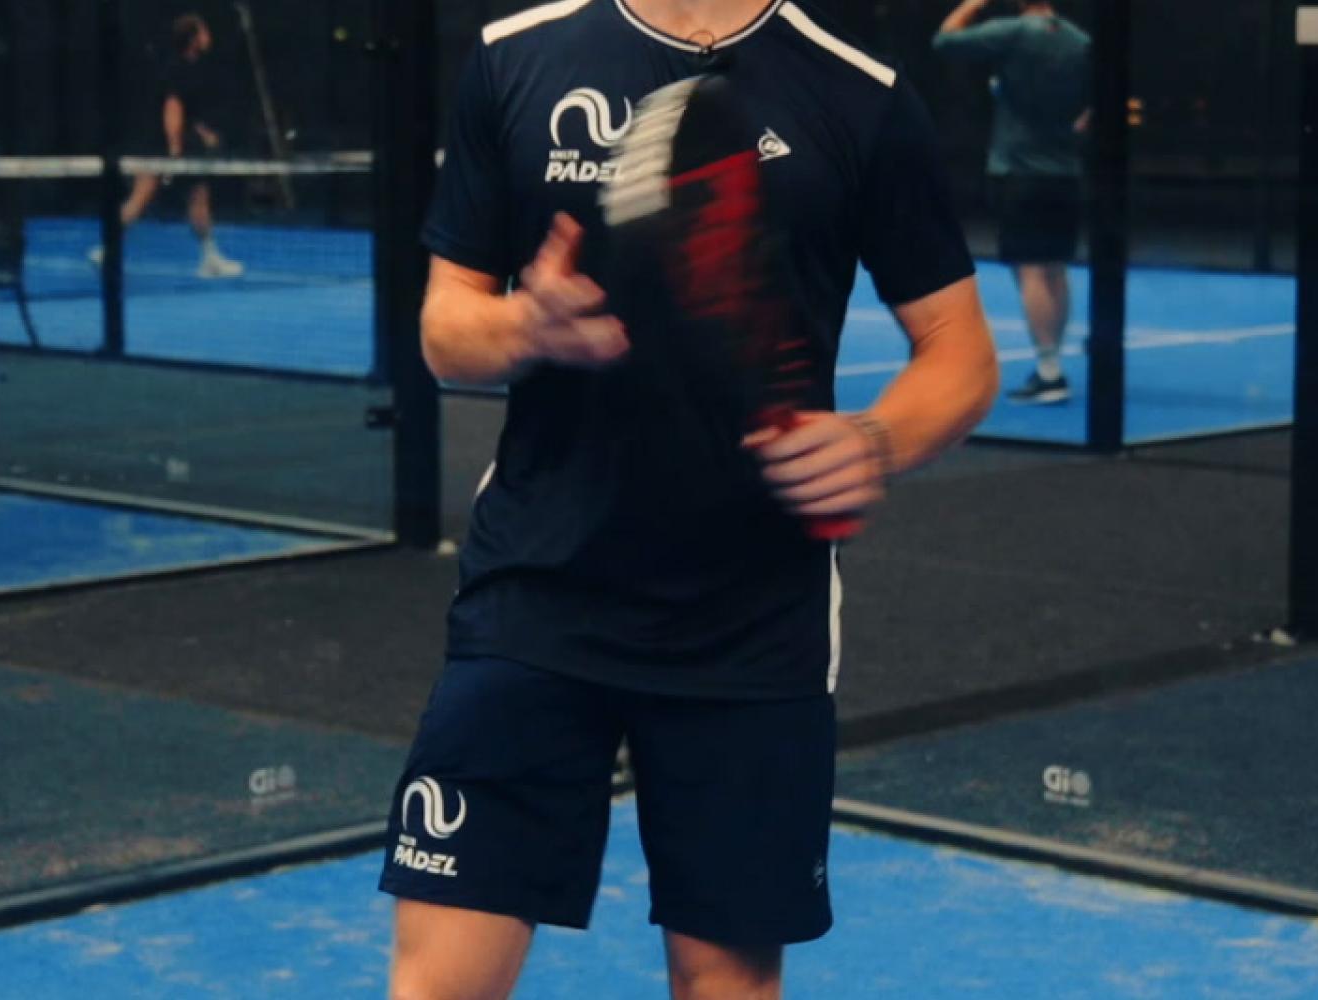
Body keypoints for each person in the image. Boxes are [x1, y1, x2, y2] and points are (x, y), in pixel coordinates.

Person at [380, 2, 998, 998]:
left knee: (727, 981)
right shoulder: (516, 60)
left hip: (752, 618)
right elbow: (446, 328)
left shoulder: (861, 96)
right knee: (439, 983)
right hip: (538, 592)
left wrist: (876, 440)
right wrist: (526, 325)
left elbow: (960, 351)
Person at [934, 0, 1091, 404]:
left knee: (1032, 271)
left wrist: (973, 3)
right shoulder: (1079, 40)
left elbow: (944, 41)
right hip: (1065, 173)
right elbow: (1103, 94)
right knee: (1055, 268)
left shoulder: (1014, 32)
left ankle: (1049, 372)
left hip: (1020, 173)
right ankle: (1052, 362)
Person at [90, 13, 244, 279]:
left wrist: (203, 133)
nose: (208, 36)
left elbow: (187, 113)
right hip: (162, 148)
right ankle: (105, 250)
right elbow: (172, 109)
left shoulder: (191, 68)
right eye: (204, 32)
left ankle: (210, 259)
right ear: (193, 39)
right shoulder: (178, 69)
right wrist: (174, 151)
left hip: (180, 146)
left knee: (198, 199)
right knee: (141, 200)